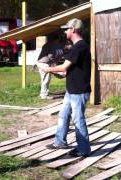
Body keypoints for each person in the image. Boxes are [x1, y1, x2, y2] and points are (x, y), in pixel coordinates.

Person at [41, 18, 92, 157]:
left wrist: (47, 69)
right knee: (64, 115)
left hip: (79, 91)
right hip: (72, 90)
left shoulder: (80, 46)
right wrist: (58, 72)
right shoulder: (77, 47)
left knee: (78, 119)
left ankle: (84, 149)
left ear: (74, 30)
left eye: (67, 29)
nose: (66, 32)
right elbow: (67, 70)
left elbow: (64, 67)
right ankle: (60, 141)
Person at [36, 34, 64, 99]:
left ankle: (44, 92)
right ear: (57, 40)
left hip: (41, 63)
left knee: (44, 79)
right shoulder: (53, 45)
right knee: (46, 79)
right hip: (44, 63)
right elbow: (50, 56)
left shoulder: (48, 44)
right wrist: (54, 65)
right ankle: (44, 95)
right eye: (59, 40)